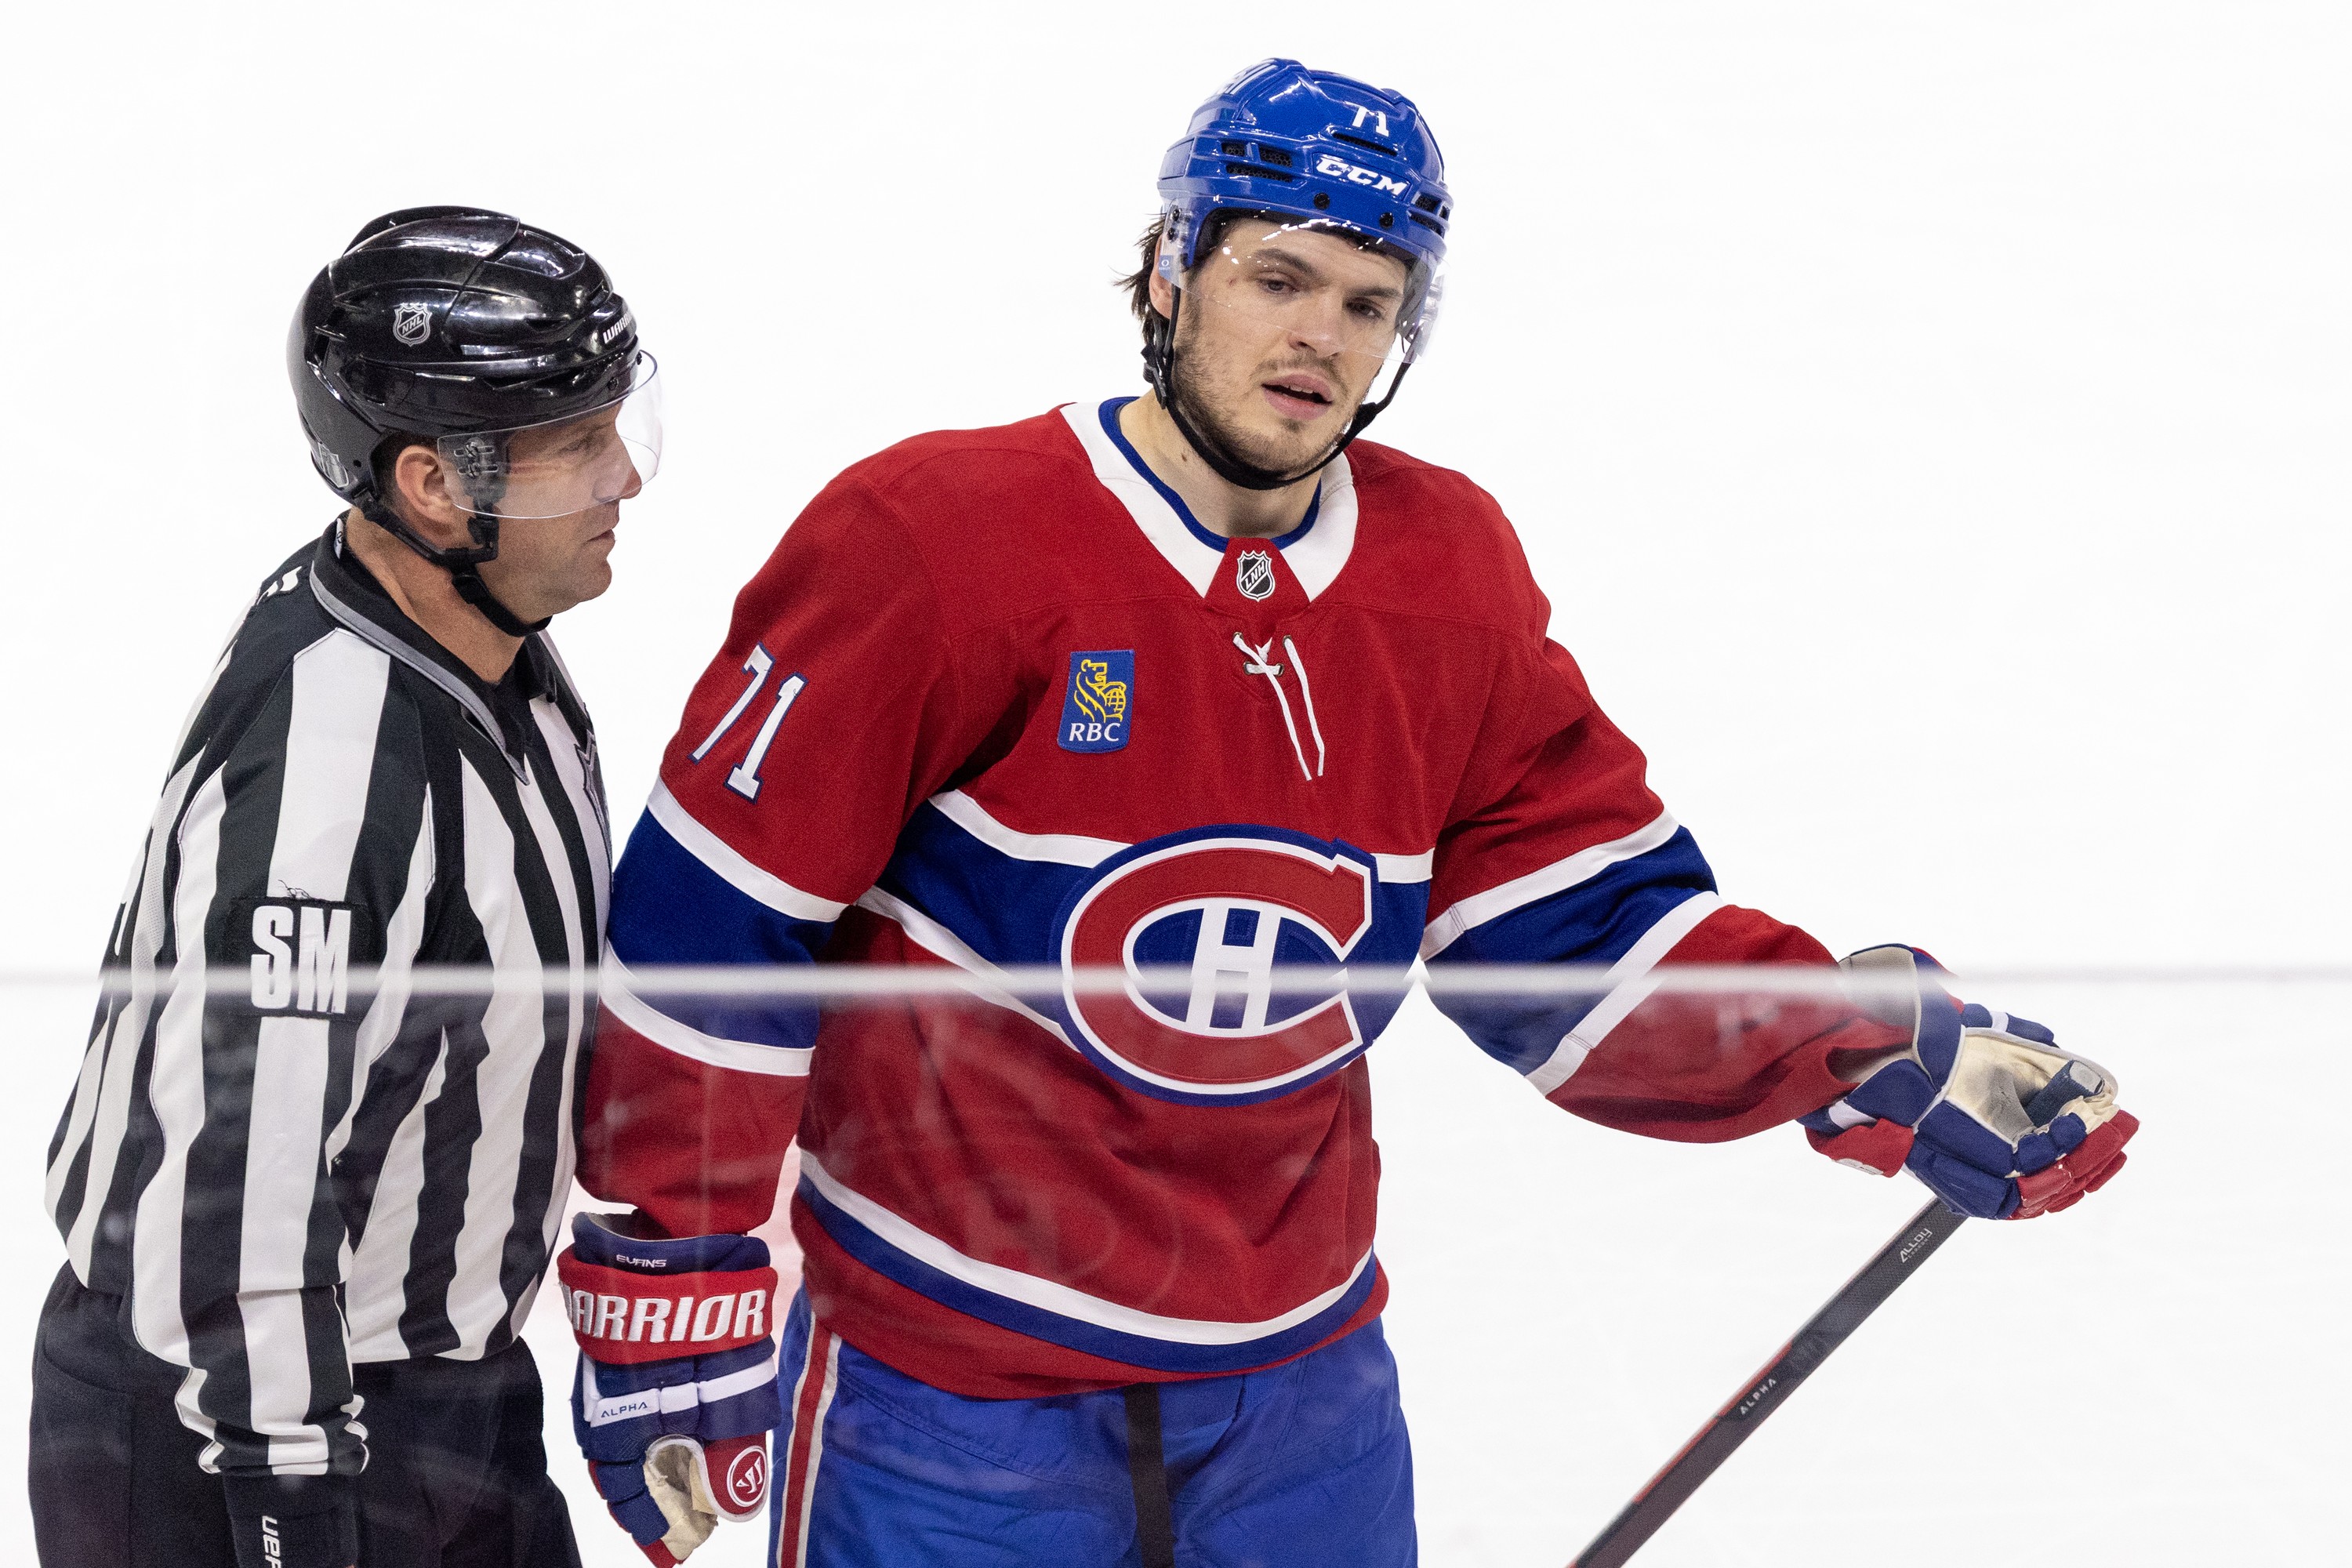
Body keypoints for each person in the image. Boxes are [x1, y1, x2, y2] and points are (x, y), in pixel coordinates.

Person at [561, 60, 2139, 1568]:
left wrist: (1852, 1044)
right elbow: (719, 930)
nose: (1322, 336)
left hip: (1301, 1402)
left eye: (1370, 304)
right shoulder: (938, 539)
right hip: (953, 1395)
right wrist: (669, 1277)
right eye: (1280, 278)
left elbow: (1581, 932)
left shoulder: (1444, 575)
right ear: (1174, 270)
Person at [35, 206, 658, 1568]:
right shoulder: (328, 778)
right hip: (239, 1420)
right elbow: (233, 1175)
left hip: (441, 1392)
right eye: (576, 447)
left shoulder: (497, 651)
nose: (626, 478)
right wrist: (289, 1494)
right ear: (436, 486)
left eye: (620, 425)